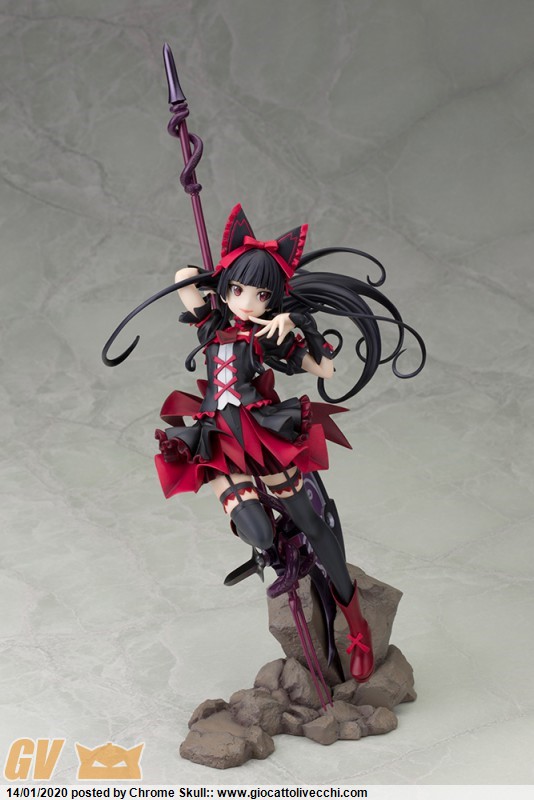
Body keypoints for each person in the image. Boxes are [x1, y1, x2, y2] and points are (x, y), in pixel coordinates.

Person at [103, 203, 425, 683]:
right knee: (258, 533)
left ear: (273, 297)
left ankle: (355, 621)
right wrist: (211, 275)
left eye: (260, 294)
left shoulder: (269, 336)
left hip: (263, 436)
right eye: (237, 290)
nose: (247, 302)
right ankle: (274, 554)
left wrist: (297, 324)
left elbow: (327, 369)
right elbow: (185, 279)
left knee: (314, 526)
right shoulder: (212, 326)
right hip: (219, 441)